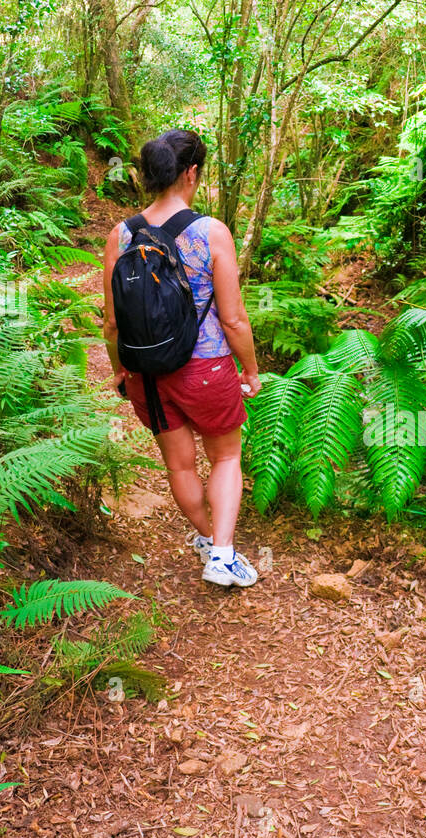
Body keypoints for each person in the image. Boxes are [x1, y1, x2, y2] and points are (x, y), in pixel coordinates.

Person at [101, 129, 262, 587]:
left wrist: (120, 369)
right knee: (227, 456)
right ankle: (224, 555)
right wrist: (249, 369)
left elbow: (111, 323)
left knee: (180, 465)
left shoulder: (121, 234)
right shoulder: (211, 232)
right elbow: (233, 320)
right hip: (206, 367)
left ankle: (211, 542)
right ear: (191, 173)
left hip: (145, 373)